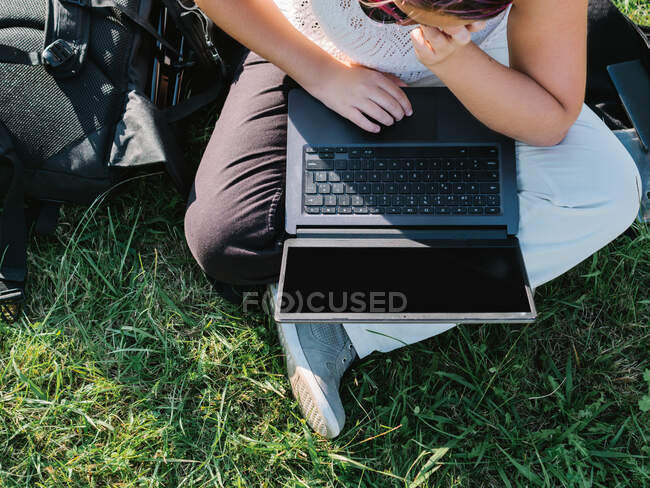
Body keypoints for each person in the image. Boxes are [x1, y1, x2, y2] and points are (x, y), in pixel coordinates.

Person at [185, 0, 642, 438]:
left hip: (486, 61)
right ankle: (355, 273)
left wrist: (454, 59)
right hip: (313, 46)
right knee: (230, 241)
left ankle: (339, 320)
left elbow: (549, 120)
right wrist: (322, 74)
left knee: (607, 192)